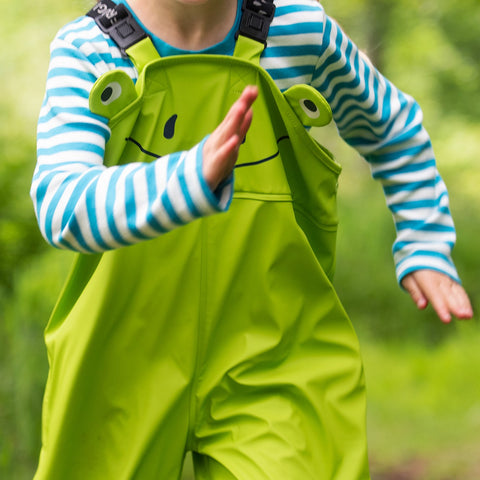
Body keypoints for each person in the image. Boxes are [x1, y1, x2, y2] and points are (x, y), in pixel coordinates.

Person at [31, 0, 473, 479]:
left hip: (277, 357)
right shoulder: (89, 52)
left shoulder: (299, 33)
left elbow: (395, 129)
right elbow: (62, 203)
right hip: (116, 366)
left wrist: (425, 239)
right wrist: (189, 177)